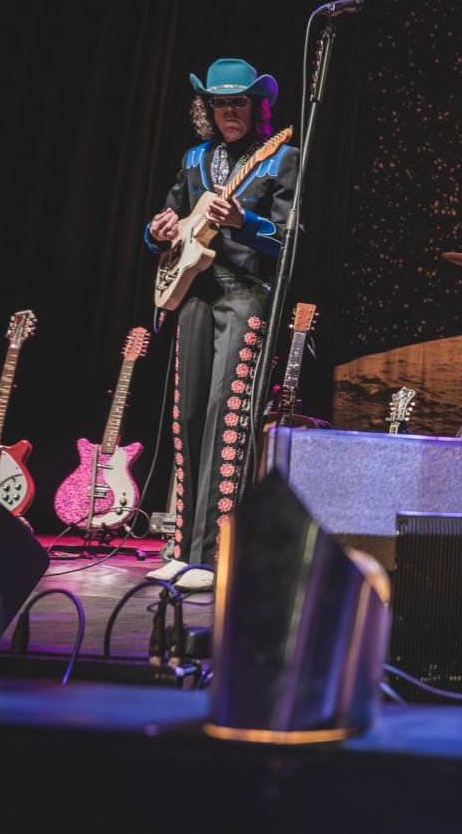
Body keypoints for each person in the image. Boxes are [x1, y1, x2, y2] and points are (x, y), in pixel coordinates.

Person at [143, 59, 299, 592]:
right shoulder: (194, 160)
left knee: (225, 418)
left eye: (239, 102)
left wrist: (245, 223)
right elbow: (170, 225)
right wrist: (158, 230)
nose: (228, 110)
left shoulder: (280, 156)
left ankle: (212, 555)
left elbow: (291, 240)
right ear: (206, 108)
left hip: (245, 297)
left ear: (258, 107)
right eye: (219, 102)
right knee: (186, 417)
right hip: (194, 297)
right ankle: (180, 546)